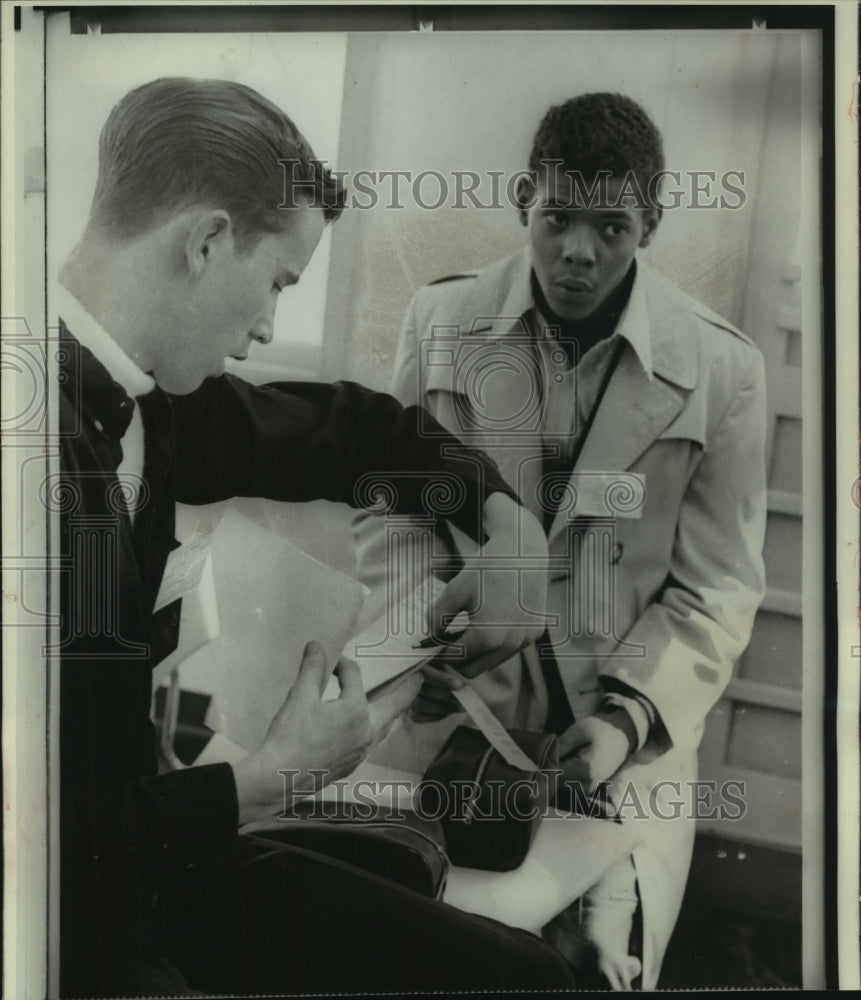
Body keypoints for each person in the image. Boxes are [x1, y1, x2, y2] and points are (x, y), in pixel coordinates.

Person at [55, 77, 569, 997]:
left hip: (148, 863)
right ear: (206, 242)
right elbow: (44, 846)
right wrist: (268, 780)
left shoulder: (155, 397)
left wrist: (510, 526)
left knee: (527, 977)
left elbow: (354, 432)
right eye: (275, 285)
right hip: (62, 924)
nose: (265, 329)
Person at [352, 92, 767, 990]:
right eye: (557, 218)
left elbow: (717, 588)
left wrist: (626, 720)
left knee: (600, 966)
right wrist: (413, 643)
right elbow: (396, 515)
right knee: (408, 948)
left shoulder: (723, 369)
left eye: (611, 227)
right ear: (522, 202)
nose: (579, 250)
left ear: (650, 224)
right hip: (452, 713)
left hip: (623, 741)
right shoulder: (439, 322)